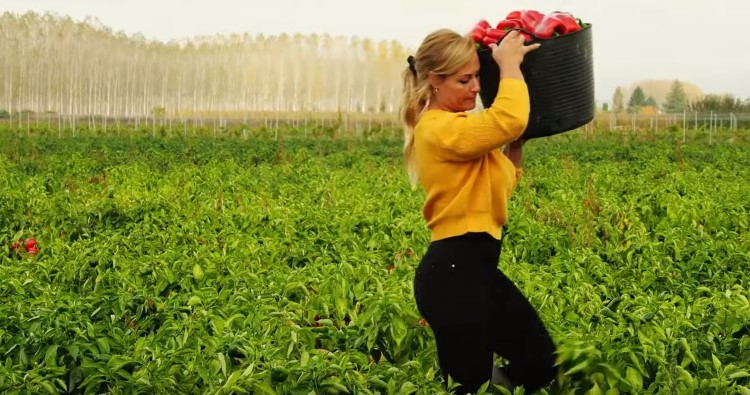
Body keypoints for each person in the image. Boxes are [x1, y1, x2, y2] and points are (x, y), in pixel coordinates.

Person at [400, 28, 558, 394]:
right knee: (470, 385)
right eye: (464, 79)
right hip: (452, 279)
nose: (475, 88)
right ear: (434, 82)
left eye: (478, 77)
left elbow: (493, 187)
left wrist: (514, 154)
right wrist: (509, 66)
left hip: (474, 272)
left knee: (540, 362)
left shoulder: (461, 132)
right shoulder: (437, 128)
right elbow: (508, 120)